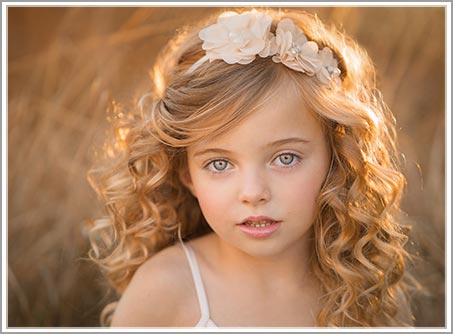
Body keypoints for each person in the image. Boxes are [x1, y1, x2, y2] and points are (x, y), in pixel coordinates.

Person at [87, 8, 414, 327]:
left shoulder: (361, 284)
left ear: (337, 159)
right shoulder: (165, 290)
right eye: (219, 163)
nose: (254, 193)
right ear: (187, 175)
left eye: (285, 158)